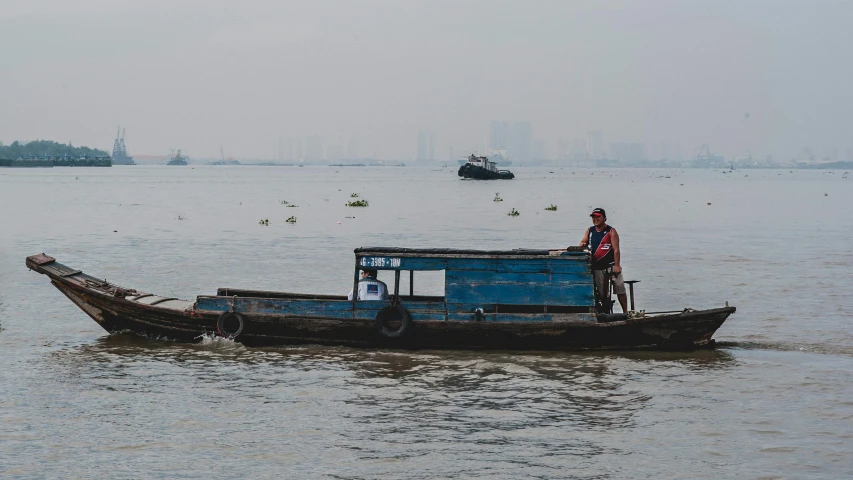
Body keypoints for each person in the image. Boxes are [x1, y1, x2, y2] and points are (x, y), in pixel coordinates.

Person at [579, 207, 628, 313]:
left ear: (604, 218)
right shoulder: (590, 231)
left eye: (598, 217)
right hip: (597, 267)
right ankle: (606, 312)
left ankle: (625, 312)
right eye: (593, 217)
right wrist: (582, 246)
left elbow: (616, 250)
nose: (595, 219)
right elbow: (583, 243)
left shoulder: (611, 231)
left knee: (620, 288)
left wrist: (617, 265)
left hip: (611, 266)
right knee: (602, 293)